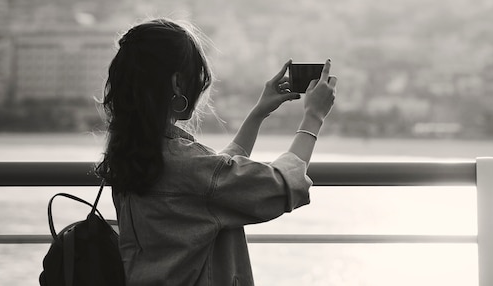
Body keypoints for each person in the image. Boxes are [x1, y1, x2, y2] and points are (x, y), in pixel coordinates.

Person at [95, 18, 337, 286]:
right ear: (177, 83)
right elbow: (280, 186)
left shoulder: (130, 154)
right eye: (197, 76)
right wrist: (314, 116)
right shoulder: (187, 165)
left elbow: (215, 179)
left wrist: (258, 114)